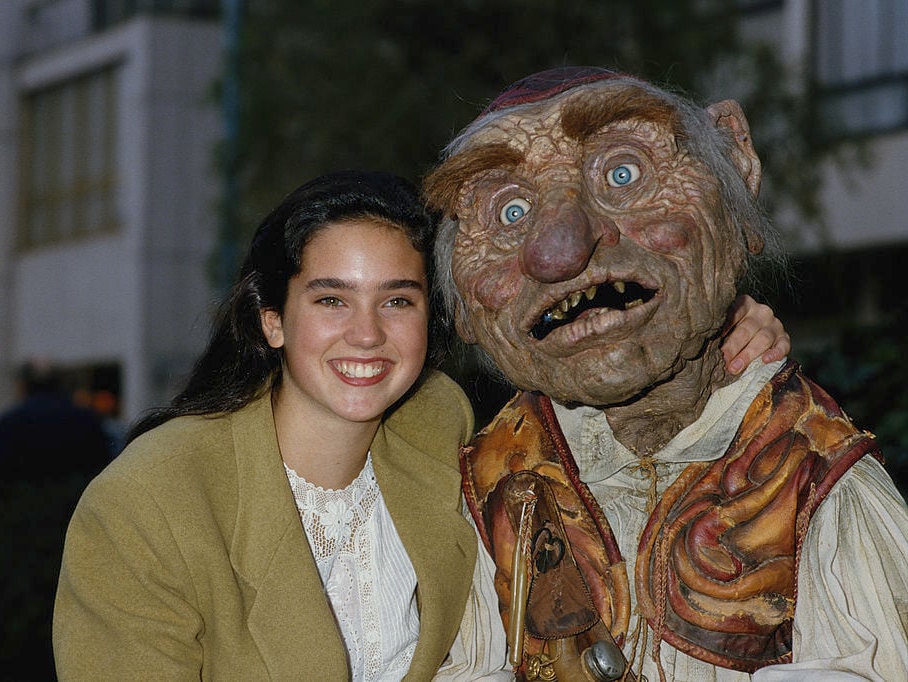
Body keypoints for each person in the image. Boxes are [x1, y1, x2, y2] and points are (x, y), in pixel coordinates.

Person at [53, 169, 786, 681]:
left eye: (397, 301)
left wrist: (709, 344)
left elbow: (604, 432)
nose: (366, 336)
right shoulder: (148, 502)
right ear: (271, 319)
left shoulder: (440, 427)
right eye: (332, 301)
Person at [423, 66, 908, 680]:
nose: (561, 250)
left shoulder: (814, 473)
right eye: (511, 212)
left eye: (623, 174)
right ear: (462, 306)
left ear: (735, 166)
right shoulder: (485, 485)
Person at [0, 359, 111, 492]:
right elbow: (103, 468)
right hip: (73, 506)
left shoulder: (8, 423)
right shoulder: (87, 419)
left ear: (23, 386)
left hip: (22, 507)